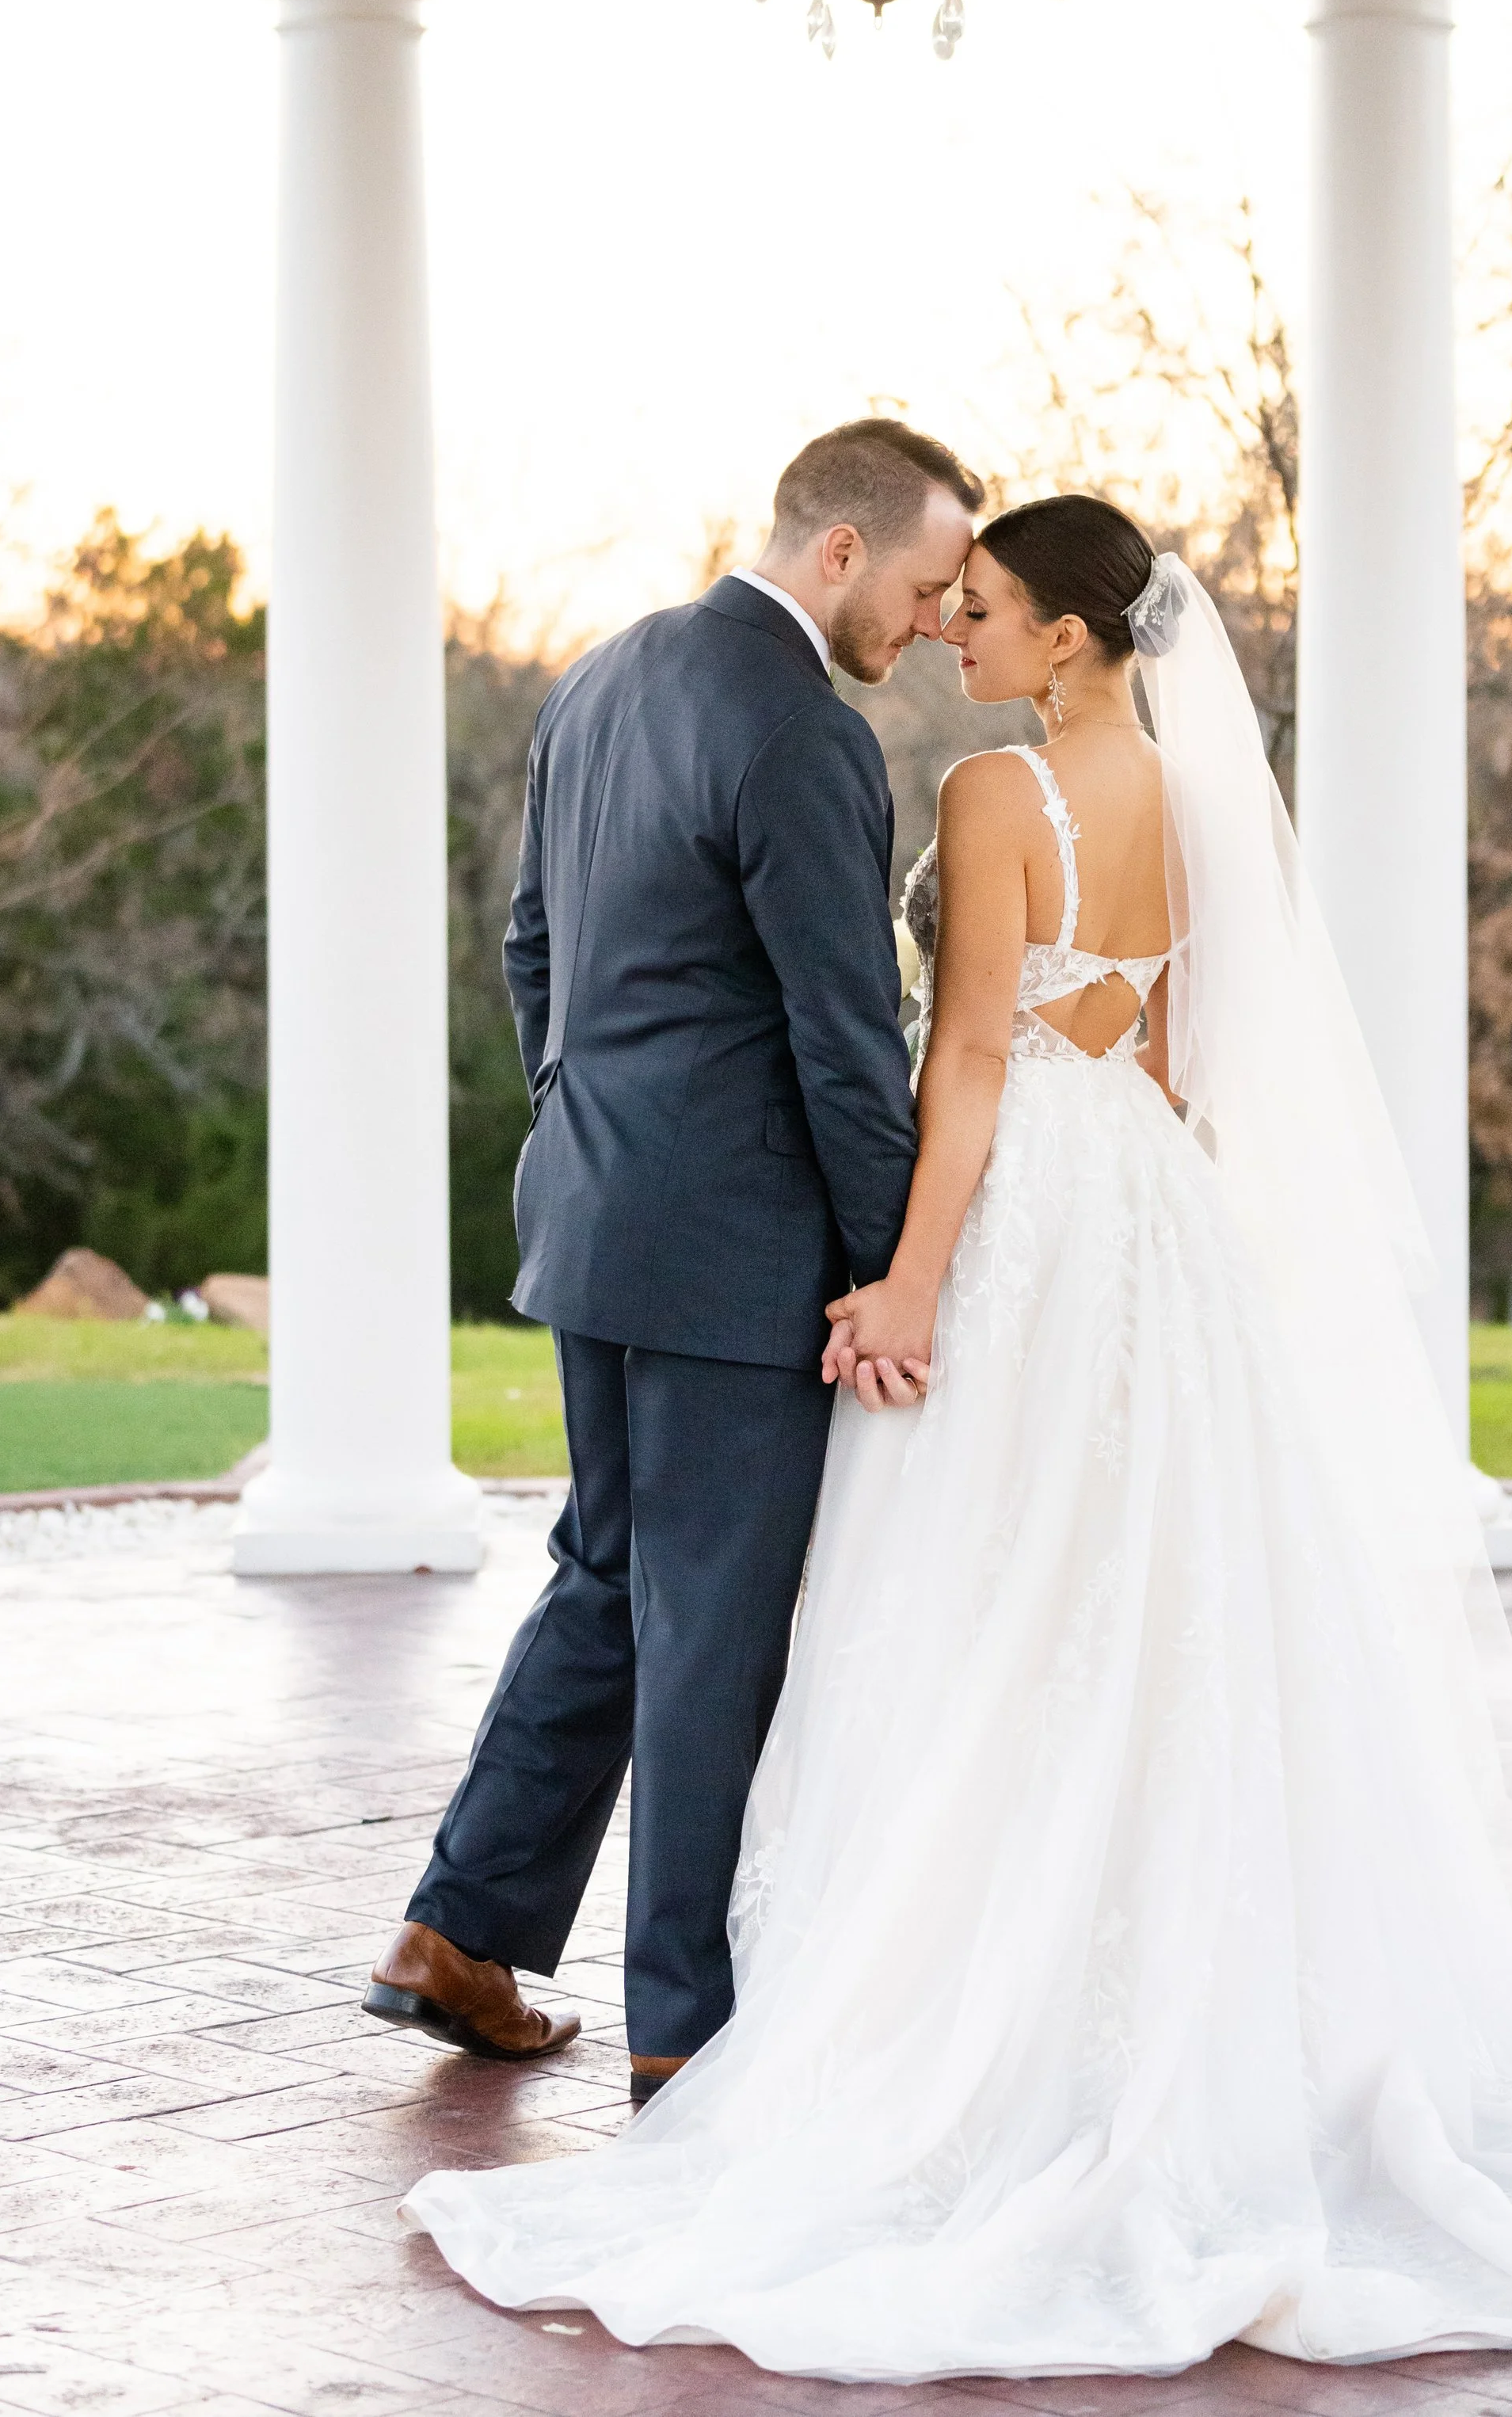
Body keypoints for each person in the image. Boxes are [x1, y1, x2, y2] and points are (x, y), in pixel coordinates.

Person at [405, 494, 1512, 2377]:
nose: (956, 630)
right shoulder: (1208, 809)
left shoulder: (972, 797)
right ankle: (557, 1936)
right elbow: (1184, 1064)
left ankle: (772, 2018)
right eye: (942, 597)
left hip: (1004, 1215)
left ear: (1067, 641)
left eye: (987, 612)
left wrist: (906, 1281)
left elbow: (959, 1066)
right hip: (1147, 1225)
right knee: (1155, 1602)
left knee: (938, 1602)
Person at [364, 421, 981, 2098]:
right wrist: (884, 1271)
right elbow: (844, 1047)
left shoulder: (603, 674)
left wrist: (591, 1128)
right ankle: (682, 2034)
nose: (932, 622)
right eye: (926, 584)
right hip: (732, 1254)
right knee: (708, 1618)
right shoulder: (801, 730)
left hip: (592, 1214)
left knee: (605, 1576)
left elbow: (528, 946)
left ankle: (458, 1934)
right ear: (837, 551)